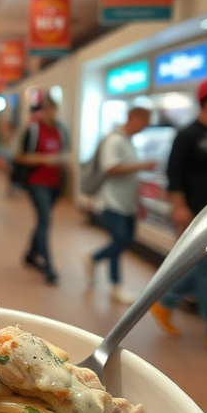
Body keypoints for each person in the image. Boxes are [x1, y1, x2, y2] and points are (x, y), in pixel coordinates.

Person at [150, 78, 207, 348]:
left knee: (201, 265)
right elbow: (173, 175)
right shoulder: (187, 135)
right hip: (194, 213)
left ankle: (165, 302)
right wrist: (180, 207)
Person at [82, 106, 156, 305]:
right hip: (112, 201)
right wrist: (142, 166)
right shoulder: (114, 140)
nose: (146, 126)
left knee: (123, 241)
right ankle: (115, 283)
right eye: (145, 121)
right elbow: (110, 168)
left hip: (127, 203)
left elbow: (130, 177)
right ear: (134, 118)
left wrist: (138, 201)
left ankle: (95, 261)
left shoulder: (129, 142)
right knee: (120, 240)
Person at [16, 94, 70, 284]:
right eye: (47, 110)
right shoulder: (33, 129)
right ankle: (49, 267)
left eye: (54, 110)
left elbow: (66, 151)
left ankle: (30, 254)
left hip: (55, 183)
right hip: (36, 181)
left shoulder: (61, 130)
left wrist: (62, 161)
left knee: (42, 221)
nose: (51, 114)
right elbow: (21, 156)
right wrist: (43, 159)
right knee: (45, 220)